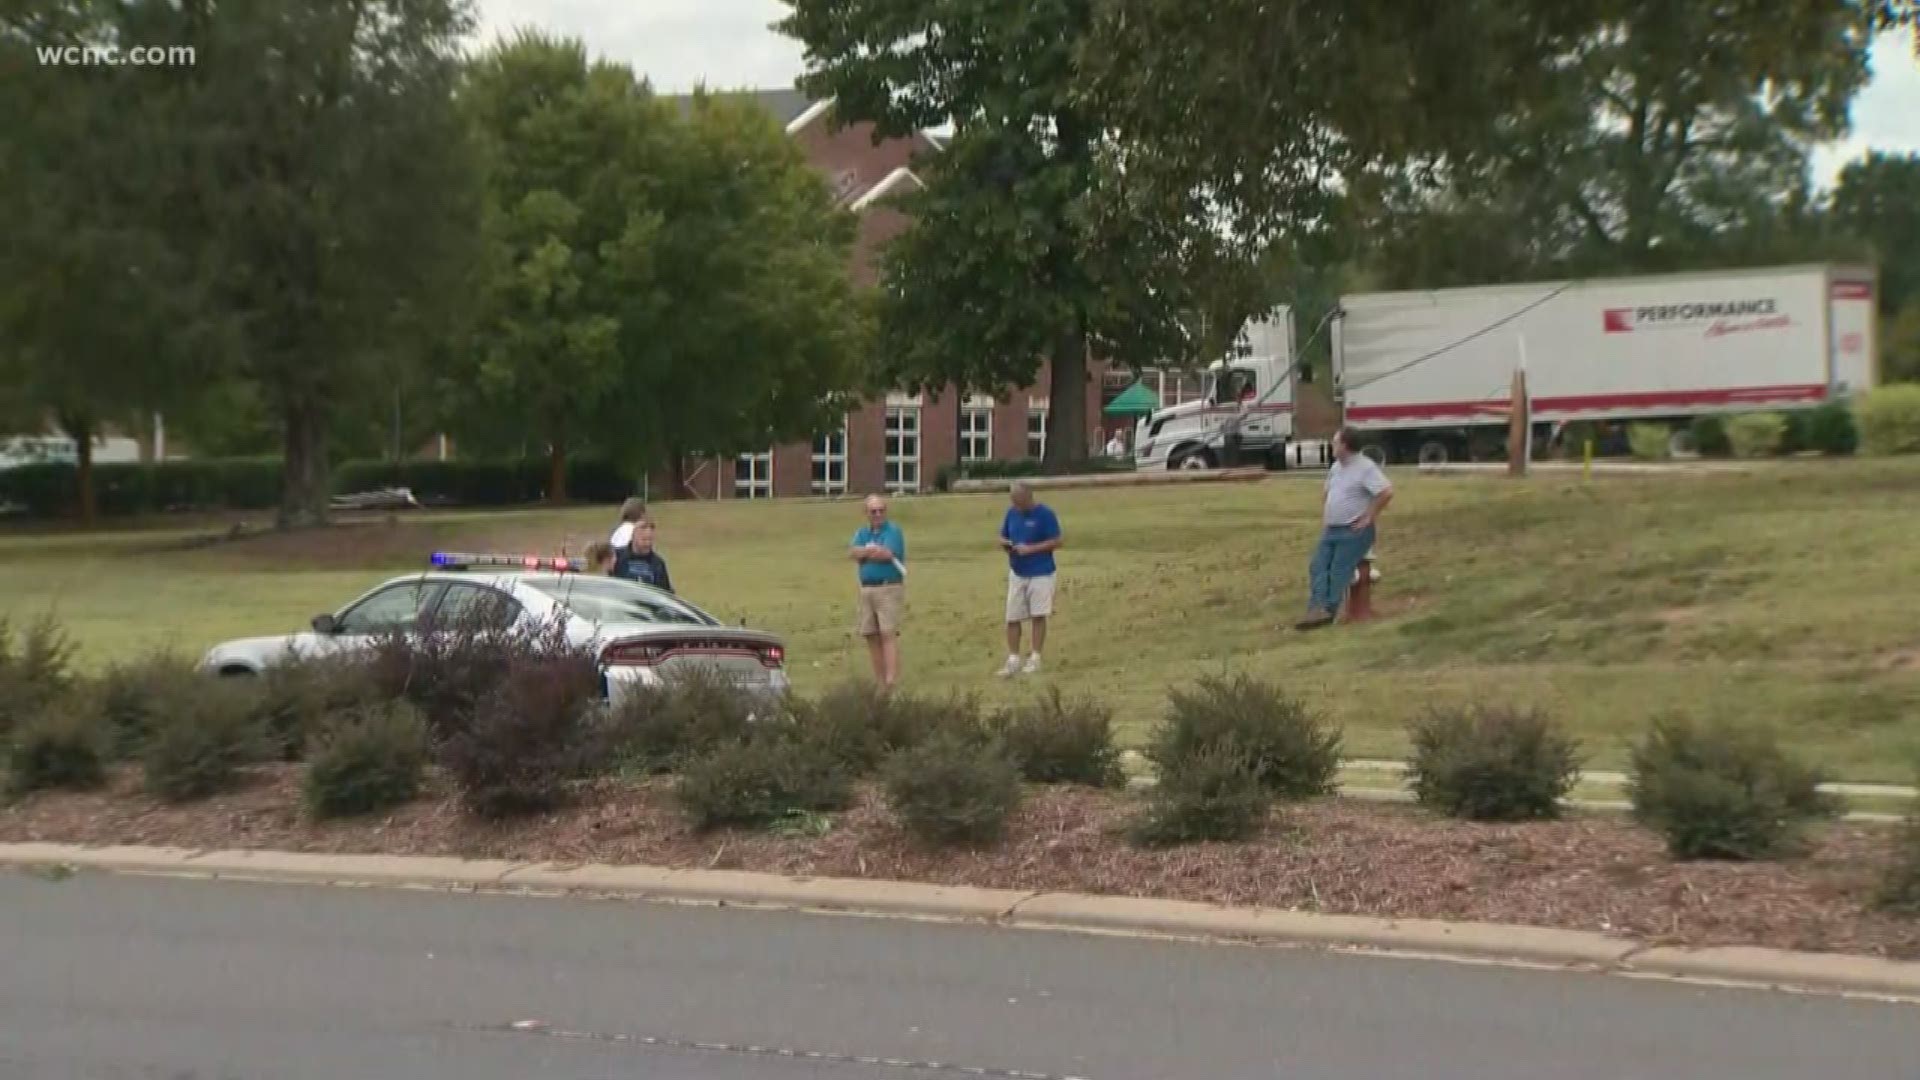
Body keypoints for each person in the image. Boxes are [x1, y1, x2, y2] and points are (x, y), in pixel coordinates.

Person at [1297, 425, 1392, 630]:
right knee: (1318, 566)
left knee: (1339, 569)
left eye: (1336, 442)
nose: (1332, 445)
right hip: (1332, 529)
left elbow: (1386, 492)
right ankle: (1316, 609)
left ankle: (1328, 613)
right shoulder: (1336, 467)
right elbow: (1328, 492)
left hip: (1354, 530)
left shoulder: (1365, 467)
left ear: (1346, 446)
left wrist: (1369, 516)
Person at [997, 480, 1062, 676]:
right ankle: (1014, 658)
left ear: (1029, 497)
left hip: (1041, 572)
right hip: (1017, 571)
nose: (1016, 506)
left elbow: (1057, 541)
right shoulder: (1011, 513)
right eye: (1013, 502)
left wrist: (1031, 549)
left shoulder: (1045, 515)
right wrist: (1005, 544)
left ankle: (1035, 656)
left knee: (1038, 615)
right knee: (1012, 616)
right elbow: (1002, 535)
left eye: (1019, 502)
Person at [849, 494, 906, 690]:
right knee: (870, 634)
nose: (878, 514)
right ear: (867, 514)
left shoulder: (893, 531)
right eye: (874, 511)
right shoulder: (862, 533)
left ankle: (891, 679)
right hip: (867, 589)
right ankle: (880, 679)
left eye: (881, 510)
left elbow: (887, 554)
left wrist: (868, 553)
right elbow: (853, 552)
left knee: (887, 632)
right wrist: (869, 552)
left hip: (888, 587)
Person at [612, 518, 673, 593]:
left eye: (652, 528)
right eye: (643, 527)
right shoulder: (616, 557)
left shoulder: (658, 563)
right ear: (632, 533)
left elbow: (666, 594)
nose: (648, 532)